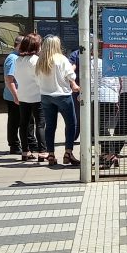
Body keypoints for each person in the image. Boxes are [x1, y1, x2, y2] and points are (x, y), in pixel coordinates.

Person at [35, 35, 80, 166]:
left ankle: (51, 154)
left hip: (46, 96)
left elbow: (37, 80)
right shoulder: (62, 59)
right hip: (63, 95)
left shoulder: (41, 60)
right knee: (71, 124)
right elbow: (71, 75)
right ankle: (68, 152)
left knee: (50, 126)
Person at [13, 34, 46, 163]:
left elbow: (16, 76)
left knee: (24, 123)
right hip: (37, 96)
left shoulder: (18, 60)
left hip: (23, 95)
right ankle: (42, 152)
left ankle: (25, 151)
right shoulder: (35, 61)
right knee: (40, 124)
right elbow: (40, 79)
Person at [94, 55, 121, 168]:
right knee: (101, 127)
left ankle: (110, 154)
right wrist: (117, 99)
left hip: (100, 97)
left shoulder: (95, 63)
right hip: (112, 98)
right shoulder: (114, 64)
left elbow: (91, 80)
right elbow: (119, 83)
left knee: (98, 128)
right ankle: (105, 154)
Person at [2, 34, 24, 154]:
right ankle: (14, 145)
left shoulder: (19, 57)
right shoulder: (12, 58)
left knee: (21, 120)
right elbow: (9, 80)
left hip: (19, 95)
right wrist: (16, 96)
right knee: (14, 121)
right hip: (13, 96)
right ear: (19, 44)